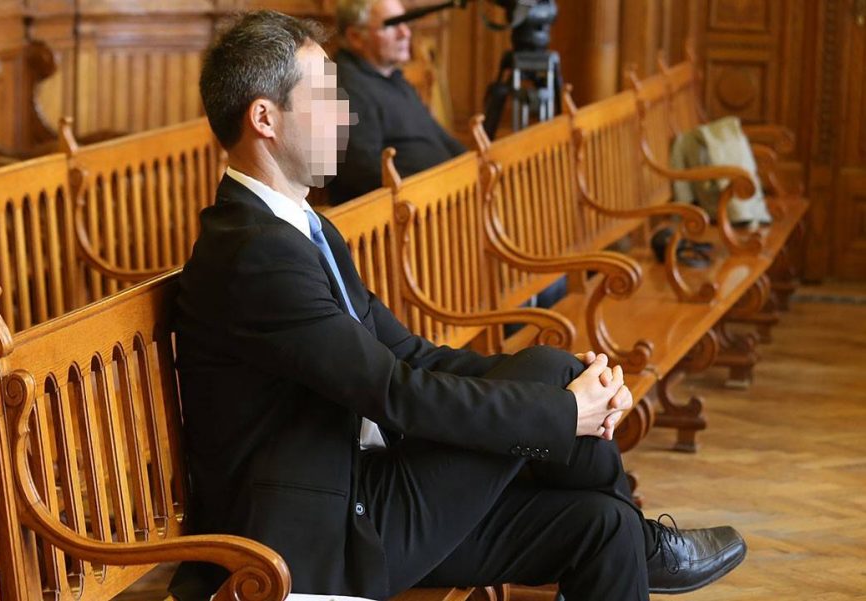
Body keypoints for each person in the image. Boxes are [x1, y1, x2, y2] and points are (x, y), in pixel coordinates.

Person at [171, 10, 746, 601]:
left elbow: (411, 355)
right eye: (325, 98)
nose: (346, 114)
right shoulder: (254, 253)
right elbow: (393, 392)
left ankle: (639, 539)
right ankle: (652, 546)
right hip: (315, 539)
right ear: (265, 118)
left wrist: (575, 395)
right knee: (551, 375)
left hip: (363, 494)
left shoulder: (301, 230)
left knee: (603, 525)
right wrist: (562, 411)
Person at [326, 0, 466, 205]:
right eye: (392, 25)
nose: (405, 33)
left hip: (444, 199)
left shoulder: (394, 78)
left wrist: (473, 165)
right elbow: (363, 172)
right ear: (355, 37)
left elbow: (440, 137)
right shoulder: (344, 87)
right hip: (404, 210)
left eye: (405, 22)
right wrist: (434, 189)